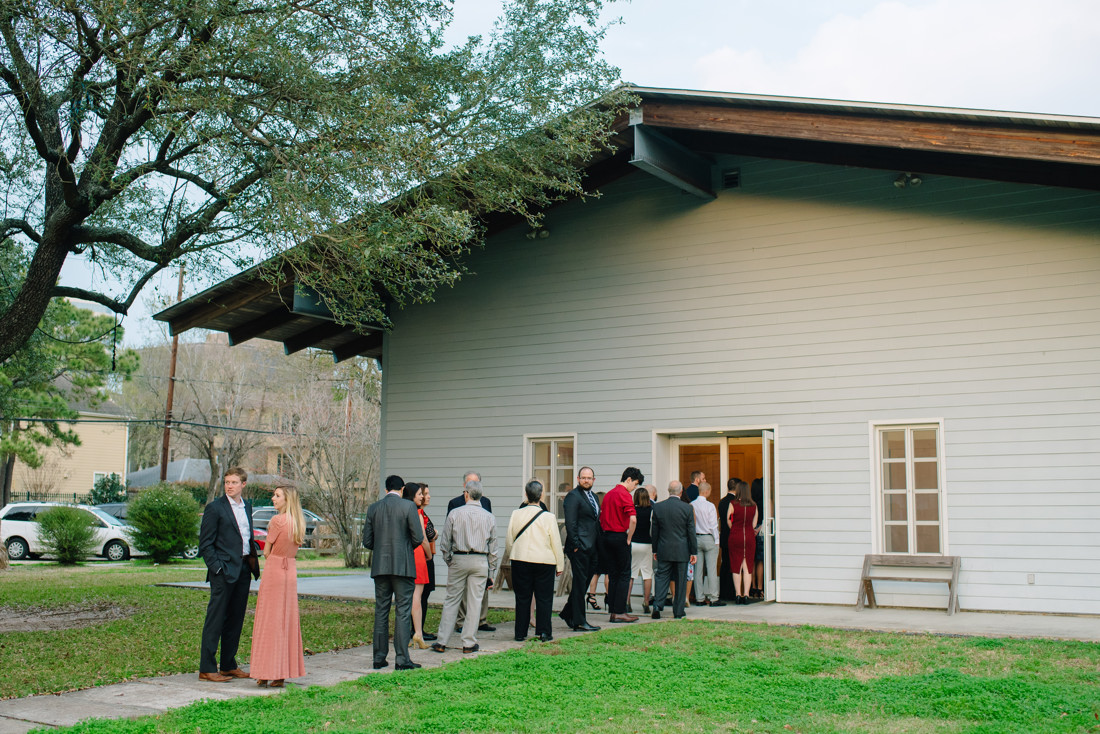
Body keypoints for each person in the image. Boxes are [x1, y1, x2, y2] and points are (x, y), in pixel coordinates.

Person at [198, 467, 260, 682]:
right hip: (223, 571)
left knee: (236, 619)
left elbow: (245, 537)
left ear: (243, 484)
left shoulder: (247, 507)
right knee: (215, 620)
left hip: (243, 569)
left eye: (234, 482)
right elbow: (205, 544)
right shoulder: (215, 508)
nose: (229, 486)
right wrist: (217, 568)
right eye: (227, 482)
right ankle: (207, 668)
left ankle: (228, 665)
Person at [362, 474, 424, 671]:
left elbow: (367, 541)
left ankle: (378, 658)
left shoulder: (374, 508)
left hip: (380, 566)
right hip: (403, 566)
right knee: (403, 611)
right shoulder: (409, 507)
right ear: (403, 488)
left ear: (386, 489)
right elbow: (418, 537)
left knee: (381, 611)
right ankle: (401, 659)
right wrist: (405, 548)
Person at [432, 479, 499, 654]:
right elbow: (493, 547)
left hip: (459, 558)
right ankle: (468, 642)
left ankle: (441, 641)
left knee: (451, 600)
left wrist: (449, 560)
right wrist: (491, 570)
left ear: (466, 494)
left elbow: (445, 542)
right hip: (480, 560)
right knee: (475, 602)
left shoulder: (454, 514)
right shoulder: (489, 517)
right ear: (481, 496)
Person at [250, 483, 306, 688]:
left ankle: (265, 671)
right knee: (286, 621)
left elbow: (266, 551)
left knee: (269, 621)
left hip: (275, 568)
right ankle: (281, 672)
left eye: (277, 496)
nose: (273, 499)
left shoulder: (277, 520)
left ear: (286, 499)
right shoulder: (298, 521)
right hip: (290, 570)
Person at [506, 479, 564, 642]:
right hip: (544, 560)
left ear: (526, 495)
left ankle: (520, 632)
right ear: (541, 495)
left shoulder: (516, 514)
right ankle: (544, 631)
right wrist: (560, 564)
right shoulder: (549, 517)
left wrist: (513, 554)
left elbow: (509, 539)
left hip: (520, 559)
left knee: (522, 597)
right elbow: (556, 542)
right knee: (544, 597)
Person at [448, 471, 494, 633]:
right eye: (469, 483)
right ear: (464, 486)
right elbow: (450, 532)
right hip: (461, 552)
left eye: (476, 483)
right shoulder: (455, 504)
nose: (473, 486)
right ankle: (461, 622)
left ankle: (481, 620)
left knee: (483, 587)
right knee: (463, 591)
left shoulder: (486, 502)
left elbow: (489, 531)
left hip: (481, 553)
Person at [558, 467, 601, 632]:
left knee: (583, 583)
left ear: (593, 480)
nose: (586, 480)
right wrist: (576, 545)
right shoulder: (573, 497)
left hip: (593, 546)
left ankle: (568, 613)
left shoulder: (594, 497)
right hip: (579, 547)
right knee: (579, 582)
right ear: (578, 479)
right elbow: (571, 523)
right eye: (583, 478)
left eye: (589, 478)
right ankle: (579, 621)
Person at [650, 481, 697, 620]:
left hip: (664, 548)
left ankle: (657, 606)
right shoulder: (687, 508)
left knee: (661, 578)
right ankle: (678, 610)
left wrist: (655, 550)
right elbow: (691, 532)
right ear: (681, 492)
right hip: (682, 550)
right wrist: (693, 552)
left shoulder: (658, 507)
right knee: (681, 580)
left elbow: (655, 531)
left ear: (668, 491)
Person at [600, 467, 641, 623]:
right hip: (619, 536)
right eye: (635, 484)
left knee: (613, 574)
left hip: (606, 536)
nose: (634, 488)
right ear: (629, 479)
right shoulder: (624, 495)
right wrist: (629, 537)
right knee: (624, 574)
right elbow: (633, 519)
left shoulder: (609, 494)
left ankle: (613, 610)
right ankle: (620, 611)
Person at [402, 482, 433, 648]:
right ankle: (418, 633)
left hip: (405, 555)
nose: (422, 496)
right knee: (417, 595)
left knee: (406, 596)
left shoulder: (402, 510)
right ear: (413, 495)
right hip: (418, 555)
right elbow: (423, 538)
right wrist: (429, 554)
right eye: (420, 494)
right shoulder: (417, 512)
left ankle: (406, 633)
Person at [691, 482, 724, 606]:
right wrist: (717, 541)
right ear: (707, 491)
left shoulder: (692, 505)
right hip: (709, 538)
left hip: (696, 538)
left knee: (698, 570)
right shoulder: (710, 506)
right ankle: (714, 597)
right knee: (711, 569)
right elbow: (713, 526)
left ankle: (699, 598)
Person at [726, 478, 759, 605]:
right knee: (747, 567)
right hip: (749, 537)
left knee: (736, 566)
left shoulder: (733, 504)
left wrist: (735, 528)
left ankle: (738, 594)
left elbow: (729, 520)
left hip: (736, 536)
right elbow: (754, 523)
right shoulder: (754, 505)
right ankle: (746, 594)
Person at [628, 485, 655, 614]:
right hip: (647, 544)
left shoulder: (632, 510)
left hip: (633, 542)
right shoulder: (652, 510)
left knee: (631, 574)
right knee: (647, 574)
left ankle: (627, 601)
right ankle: (646, 602)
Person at [417, 483, 439, 640]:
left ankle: (419, 628)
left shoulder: (423, 513)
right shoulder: (419, 514)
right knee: (421, 595)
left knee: (424, 595)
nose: (428, 496)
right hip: (424, 558)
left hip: (426, 557)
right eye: (425, 493)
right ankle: (418, 629)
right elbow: (426, 535)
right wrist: (429, 555)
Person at [717, 477, 742, 601]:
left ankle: (723, 592)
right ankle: (732, 592)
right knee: (734, 565)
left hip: (724, 537)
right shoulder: (737, 502)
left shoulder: (722, 502)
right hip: (734, 536)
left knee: (725, 564)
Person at [751, 478, 765, 599]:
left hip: (751, 532)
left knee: (752, 561)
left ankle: (753, 587)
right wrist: (759, 528)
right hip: (761, 532)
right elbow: (769, 517)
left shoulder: (751, 502)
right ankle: (760, 588)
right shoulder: (766, 501)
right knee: (760, 561)